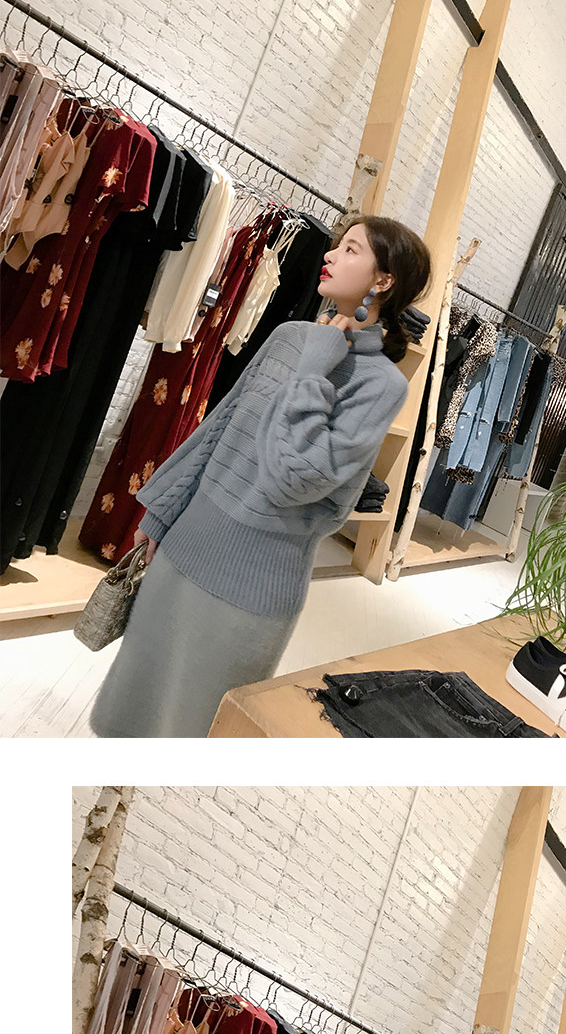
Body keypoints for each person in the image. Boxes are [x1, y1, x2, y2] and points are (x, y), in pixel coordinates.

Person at [88, 213, 430, 738]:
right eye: (336, 245)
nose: (330, 255)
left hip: (249, 587)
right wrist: (161, 514)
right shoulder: (290, 337)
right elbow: (221, 426)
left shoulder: (381, 384)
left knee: (194, 729)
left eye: (351, 249)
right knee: (132, 706)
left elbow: (296, 480)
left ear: (383, 281)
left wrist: (314, 370)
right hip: (182, 549)